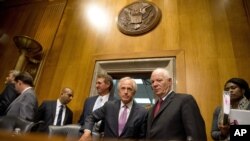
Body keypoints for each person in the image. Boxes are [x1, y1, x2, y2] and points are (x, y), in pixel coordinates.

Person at [79, 77, 148, 141]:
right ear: (119, 92)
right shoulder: (109, 106)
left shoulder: (142, 112)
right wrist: (87, 132)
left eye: (129, 89)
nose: (126, 92)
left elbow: (142, 137)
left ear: (134, 92)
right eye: (123, 88)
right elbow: (91, 117)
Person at [147, 68, 207, 141]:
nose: (155, 84)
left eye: (159, 80)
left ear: (169, 81)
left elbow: (196, 135)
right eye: (152, 82)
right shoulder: (151, 110)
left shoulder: (185, 100)